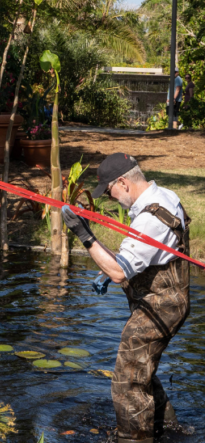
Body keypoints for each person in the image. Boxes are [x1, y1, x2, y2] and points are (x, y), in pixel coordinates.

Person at [62, 153, 190, 443]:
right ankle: (168, 429)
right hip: (170, 301)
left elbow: (120, 271)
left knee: (127, 379)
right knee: (141, 368)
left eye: (109, 191)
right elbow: (134, 261)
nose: (110, 198)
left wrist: (83, 234)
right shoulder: (165, 197)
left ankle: (134, 438)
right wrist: (105, 267)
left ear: (123, 182)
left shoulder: (149, 221)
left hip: (159, 307)